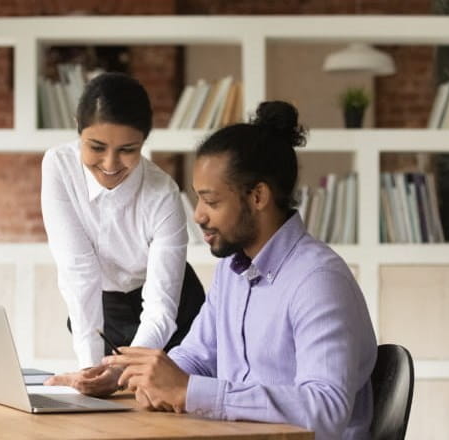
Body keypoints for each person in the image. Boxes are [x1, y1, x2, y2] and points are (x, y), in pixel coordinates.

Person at [104, 101, 378, 440]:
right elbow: (197, 358)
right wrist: (133, 376)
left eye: (212, 201)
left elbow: (325, 409)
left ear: (258, 196)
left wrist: (192, 391)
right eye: (198, 200)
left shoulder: (318, 281)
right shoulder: (232, 272)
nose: (199, 215)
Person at [41, 72, 206, 396]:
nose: (110, 163)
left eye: (128, 149)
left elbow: (160, 307)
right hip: (107, 305)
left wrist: (125, 369)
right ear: (78, 128)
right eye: (96, 147)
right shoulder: (58, 167)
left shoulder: (163, 195)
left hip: (175, 310)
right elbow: (79, 272)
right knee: (109, 404)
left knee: (163, 404)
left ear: (145, 141)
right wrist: (90, 371)